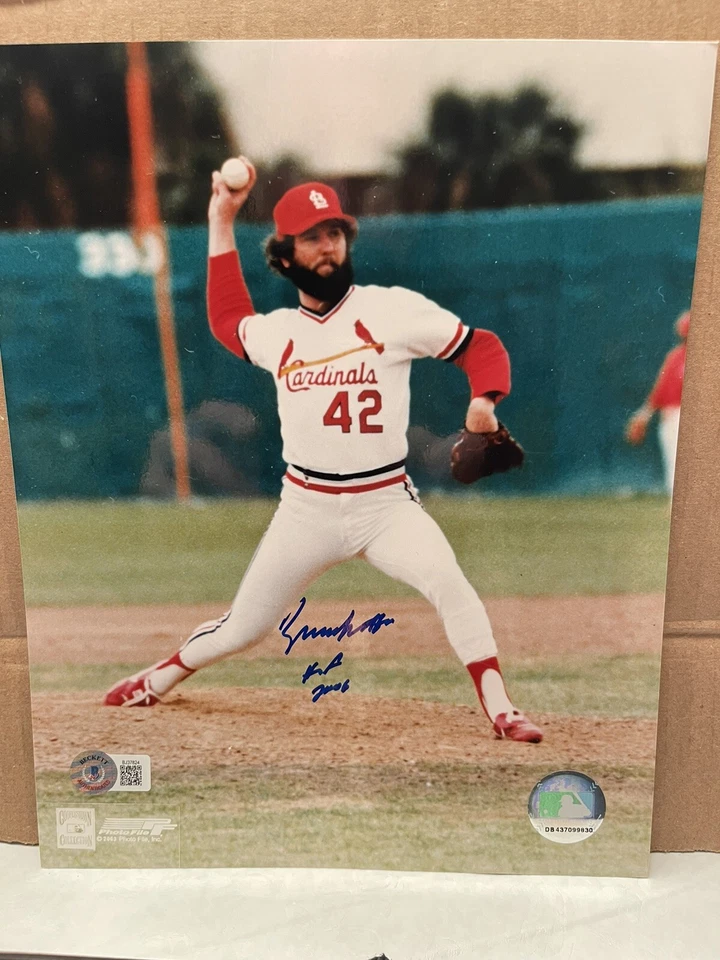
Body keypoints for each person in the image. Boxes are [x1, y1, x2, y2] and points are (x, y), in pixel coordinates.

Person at [105, 161, 543, 743]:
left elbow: (479, 346)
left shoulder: (391, 310)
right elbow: (227, 318)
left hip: (385, 505)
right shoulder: (279, 332)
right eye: (311, 237)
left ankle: (501, 707)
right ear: (284, 255)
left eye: (334, 232)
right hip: (306, 510)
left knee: (449, 580)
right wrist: (220, 218)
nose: (327, 246)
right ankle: (159, 677)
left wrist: (484, 401)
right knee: (244, 628)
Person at [625, 310, 690, 494]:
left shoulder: (678, 357)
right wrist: (643, 415)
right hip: (674, 418)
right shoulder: (676, 357)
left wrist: (643, 415)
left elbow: (658, 394)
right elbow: (660, 392)